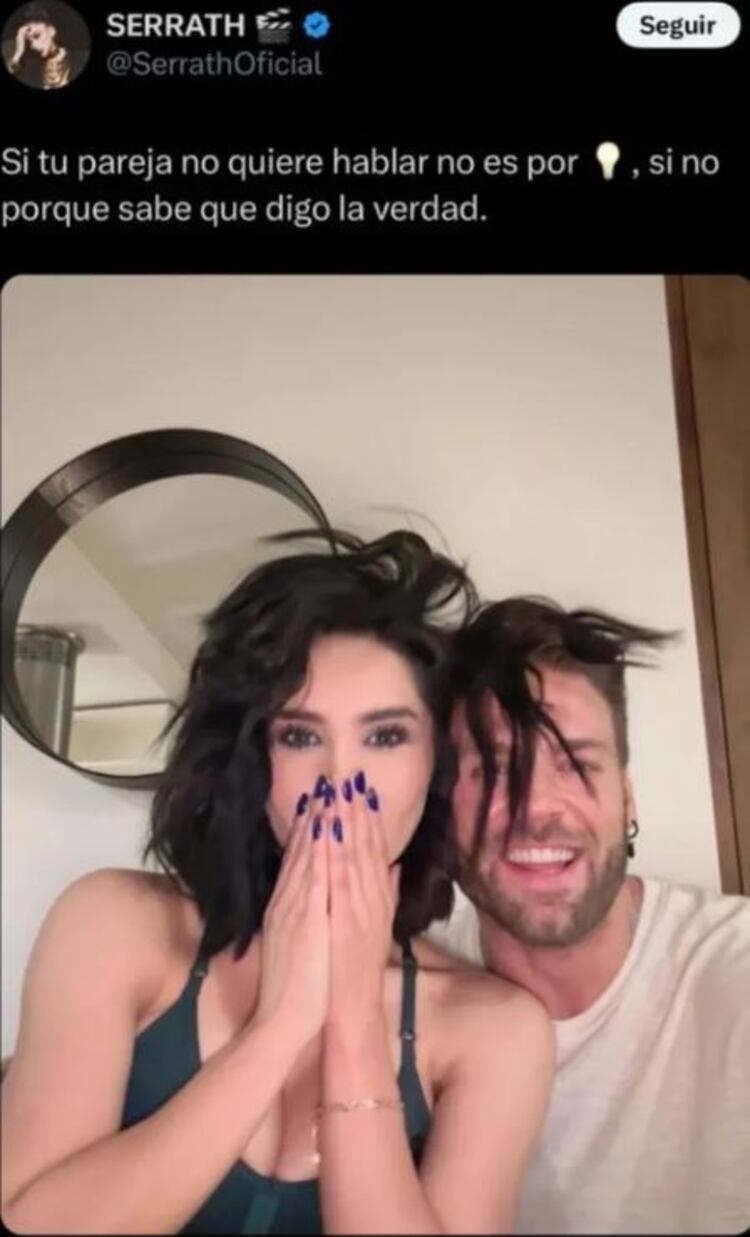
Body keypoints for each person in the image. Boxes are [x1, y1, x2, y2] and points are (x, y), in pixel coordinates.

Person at [1, 531, 554, 1236]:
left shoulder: (495, 1029)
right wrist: (281, 1023)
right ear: (254, 759)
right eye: (300, 736)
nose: (338, 780)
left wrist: (352, 1011)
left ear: (434, 764)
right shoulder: (115, 924)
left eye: (385, 736)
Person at [428, 596, 750, 1234]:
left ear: (626, 797)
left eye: (575, 764)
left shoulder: (733, 965)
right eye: (496, 770)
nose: (537, 809)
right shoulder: (407, 987)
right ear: (444, 810)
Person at [5, 3, 71, 89]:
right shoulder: (29, 69)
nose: (33, 46)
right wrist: (18, 53)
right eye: (28, 42)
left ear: (51, 31)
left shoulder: (79, 58)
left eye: (37, 36)